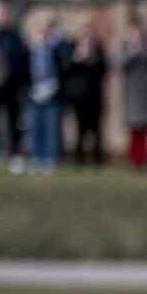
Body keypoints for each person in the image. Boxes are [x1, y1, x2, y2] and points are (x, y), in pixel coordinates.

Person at [0, 0, 31, 172]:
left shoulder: (14, 37)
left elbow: (23, 61)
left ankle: (16, 156)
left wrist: (23, 84)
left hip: (12, 88)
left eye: (2, 13)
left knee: (14, 123)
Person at [25, 9, 69, 174]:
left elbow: (64, 64)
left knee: (51, 128)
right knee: (35, 128)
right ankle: (36, 157)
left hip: (52, 92)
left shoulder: (57, 47)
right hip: (33, 93)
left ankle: (49, 158)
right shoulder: (31, 48)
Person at [120, 24, 147, 167]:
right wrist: (133, 52)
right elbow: (120, 64)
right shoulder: (126, 51)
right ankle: (134, 159)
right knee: (134, 129)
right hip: (132, 96)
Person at [62, 23, 107, 165]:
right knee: (80, 128)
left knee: (96, 129)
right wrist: (76, 59)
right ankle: (79, 158)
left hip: (95, 97)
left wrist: (92, 60)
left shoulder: (98, 53)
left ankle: (97, 157)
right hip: (79, 98)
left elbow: (103, 72)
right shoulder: (73, 53)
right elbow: (66, 71)